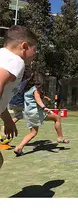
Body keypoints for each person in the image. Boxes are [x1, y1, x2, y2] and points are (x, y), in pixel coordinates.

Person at [0, 26, 37, 168]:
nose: (35, 54)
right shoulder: (16, 60)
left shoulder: (3, 56)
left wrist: (7, 120)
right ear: (24, 46)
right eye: (35, 49)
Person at [13, 72, 69, 157]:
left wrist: (45, 97)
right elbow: (37, 98)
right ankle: (60, 137)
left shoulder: (27, 89)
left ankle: (19, 147)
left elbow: (33, 98)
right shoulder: (35, 89)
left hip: (28, 113)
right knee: (57, 118)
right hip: (37, 112)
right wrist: (44, 107)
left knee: (32, 133)